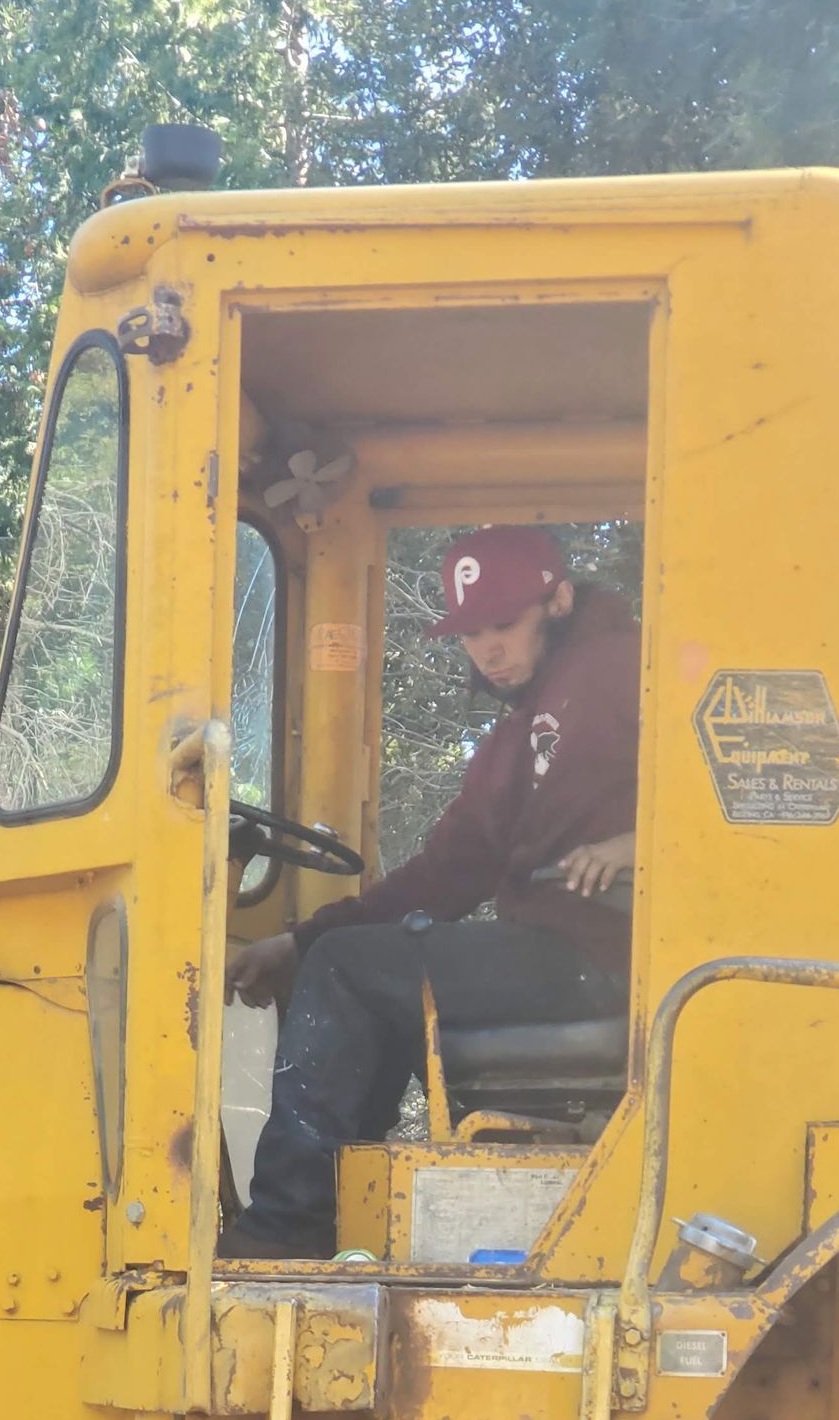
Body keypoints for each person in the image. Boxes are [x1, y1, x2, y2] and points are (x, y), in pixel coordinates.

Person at [218, 524, 639, 1259]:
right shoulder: (516, 738)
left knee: (353, 970)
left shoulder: (628, 668)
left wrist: (641, 844)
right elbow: (447, 870)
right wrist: (302, 941)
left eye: (504, 624)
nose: (488, 649)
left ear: (561, 599)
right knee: (361, 970)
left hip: (603, 954)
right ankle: (348, 1218)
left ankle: (285, 1229)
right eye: (473, 632)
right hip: (553, 949)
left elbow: (724, 782)